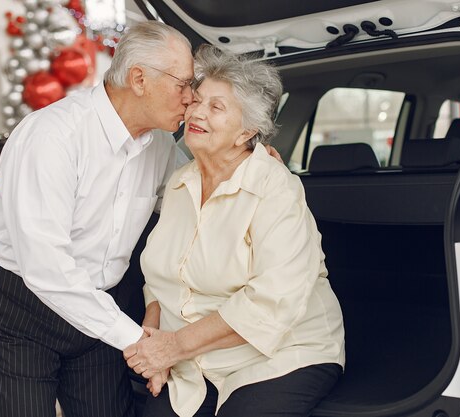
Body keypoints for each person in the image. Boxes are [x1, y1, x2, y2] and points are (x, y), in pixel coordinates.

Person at [0, 21, 195, 417]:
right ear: (139, 79)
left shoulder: (159, 144)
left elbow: (191, 196)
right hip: (19, 301)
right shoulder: (52, 136)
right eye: (184, 84)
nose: (191, 99)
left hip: (99, 302)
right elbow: (47, 268)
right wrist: (137, 340)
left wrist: (247, 163)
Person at [123, 45, 346, 417]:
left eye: (217, 107)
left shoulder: (275, 188)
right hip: (192, 357)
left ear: (247, 131)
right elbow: (161, 277)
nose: (197, 112)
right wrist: (153, 342)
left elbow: (272, 301)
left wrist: (174, 347)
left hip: (280, 353)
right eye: (197, 101)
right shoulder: (181, 182)